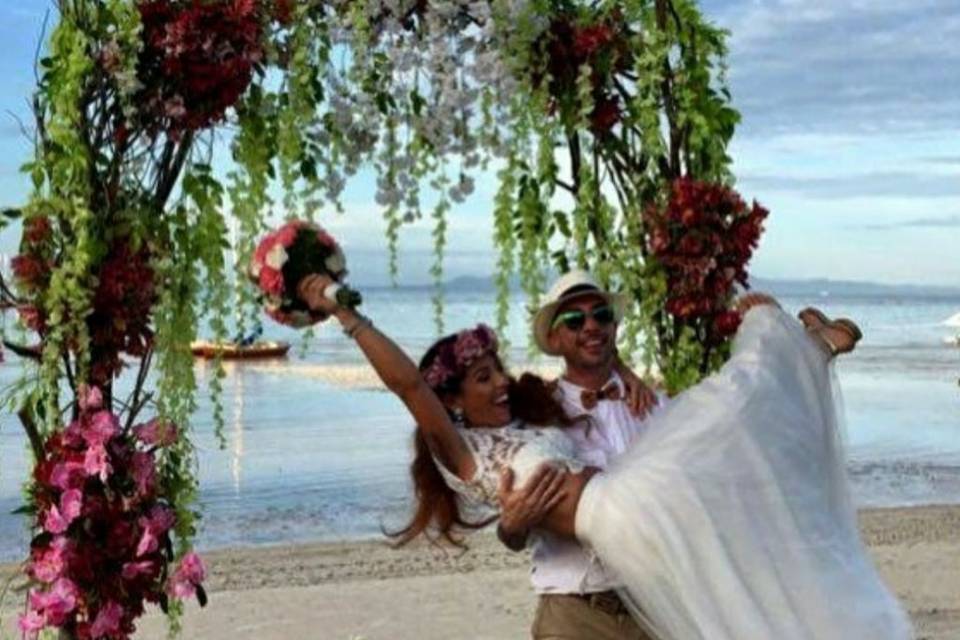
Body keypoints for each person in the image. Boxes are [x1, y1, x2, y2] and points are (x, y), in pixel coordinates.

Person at [297, 273, 912, 640]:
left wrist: (623, 371)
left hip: (638, 542)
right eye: (482, 379)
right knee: (722, 419)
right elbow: (408, 384)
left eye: (497, 371)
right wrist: (347, 316)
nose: (500, 384)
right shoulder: (460, 451)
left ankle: (803, 352)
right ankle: (792, 345)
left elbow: (596, 389)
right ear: (451, 402)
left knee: (727, 439)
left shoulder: (544, 412)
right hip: (604, 549)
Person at [495, 270, 661, 640]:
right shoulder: (536, 414)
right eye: (574, 319)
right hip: (573, 613)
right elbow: (511, 534)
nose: (590, 326)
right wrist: (511, 526)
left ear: (614, 328)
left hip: (652, 608)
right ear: (555, 338)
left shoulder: (653, 407)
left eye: (601, 315)